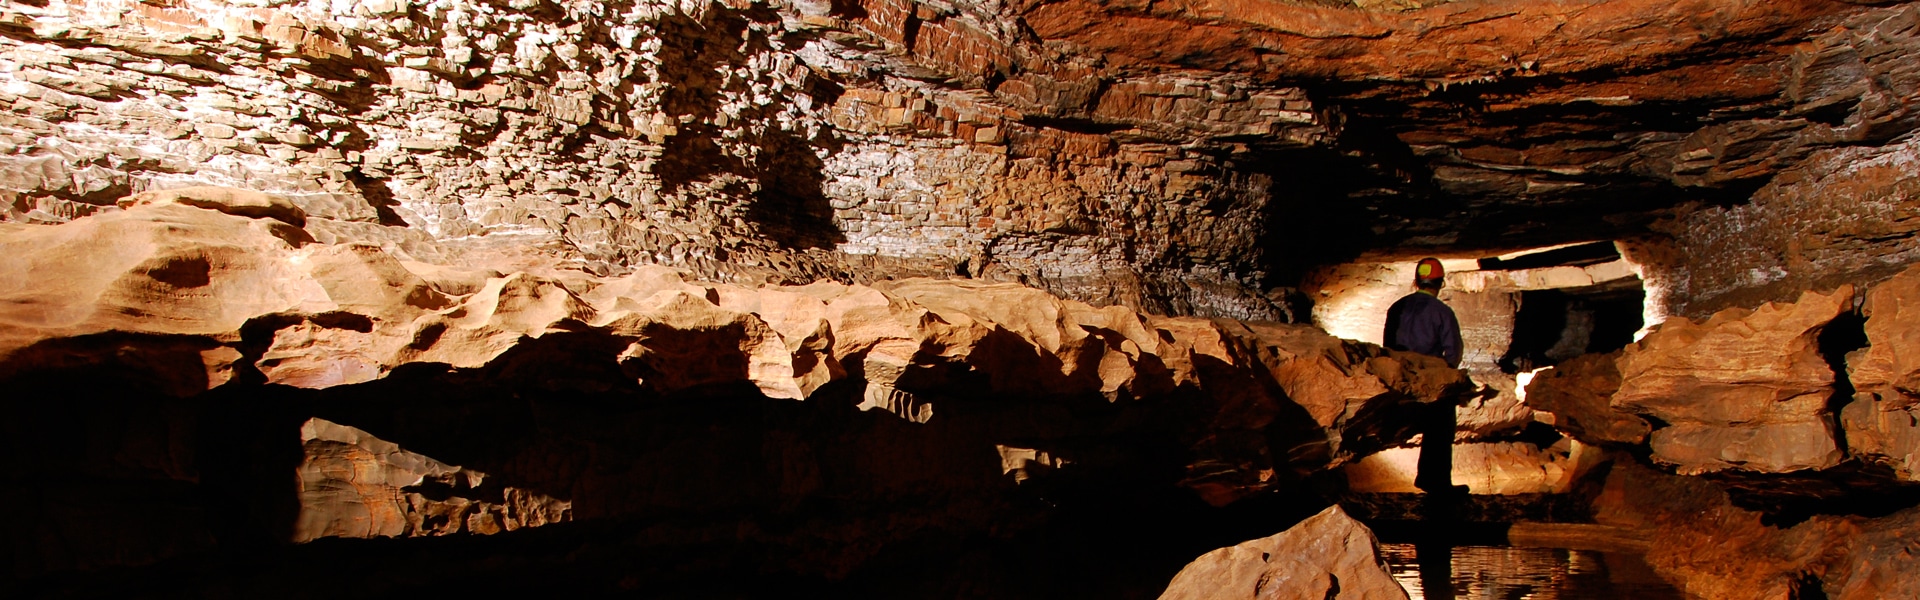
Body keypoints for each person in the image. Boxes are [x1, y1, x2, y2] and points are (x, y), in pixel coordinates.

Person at [1383, 257, 1468, 496]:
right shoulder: (1442, 312)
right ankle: (1434, 480)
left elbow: (1387, 346)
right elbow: (1453, 352)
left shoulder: (1397, 307)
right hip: (1428, 385)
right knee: (1441, 424)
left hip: (1401, 382)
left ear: (1416, 281)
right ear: (1441, 283)